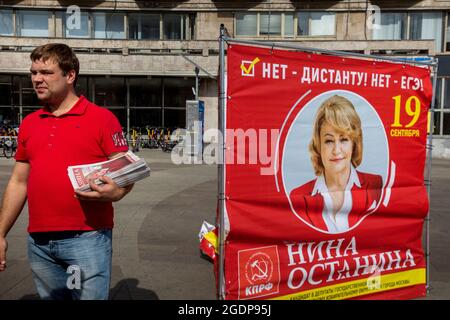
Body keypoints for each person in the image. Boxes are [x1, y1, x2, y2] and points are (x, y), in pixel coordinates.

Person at [0, 43, 133, 300]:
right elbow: (18, 182)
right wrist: (1, 233)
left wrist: (118, 192)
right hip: (39, 243)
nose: (37, 79)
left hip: (87, 238)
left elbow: (127, 170)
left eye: (46, 72)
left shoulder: (102, 119)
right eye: (34, 72)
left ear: (70, 75)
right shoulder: (29, 123)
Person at [289, 95, 382, 233]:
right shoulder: (298, 197)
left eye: (344, 139)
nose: (336, 150)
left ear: (354, 144)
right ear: (318, 145)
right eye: (329, 141)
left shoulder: (376, 186)